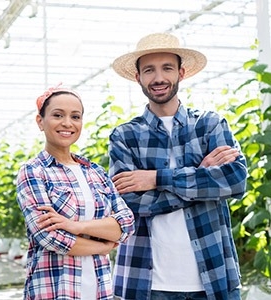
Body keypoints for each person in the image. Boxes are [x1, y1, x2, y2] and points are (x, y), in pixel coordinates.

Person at [108, 33, 248, 300]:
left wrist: (157, 178)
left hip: (214, 277)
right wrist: (202, 178)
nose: (158, 77)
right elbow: (126, 203)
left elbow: (235, 181)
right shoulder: (125, 136)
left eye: (167, 68)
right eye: (149, 70)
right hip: (145, 283)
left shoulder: (210, 125)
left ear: (181, 73)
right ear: (138, 77)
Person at [16, 84, 135, 300]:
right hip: (54, 290)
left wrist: (75, 226)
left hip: (100, 291)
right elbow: (50, 236)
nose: (67, 123)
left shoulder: (95, 171)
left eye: (75, 116)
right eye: (58, 115)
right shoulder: (34, 171)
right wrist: (102, 246)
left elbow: (126, 223)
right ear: (40, 121)